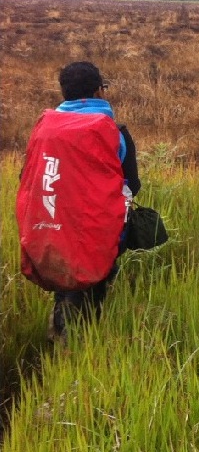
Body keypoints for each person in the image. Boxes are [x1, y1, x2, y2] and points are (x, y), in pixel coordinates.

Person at [23, 62, 141, 342]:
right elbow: (133, 185)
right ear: (100, 90)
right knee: (92, 289)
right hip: (96, 230)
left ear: (64, 93)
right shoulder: (115, 132)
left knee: (66, 285)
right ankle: (80, 346)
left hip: (49, 225)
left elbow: (29, 176)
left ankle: (62, 332)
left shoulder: (43, 129)